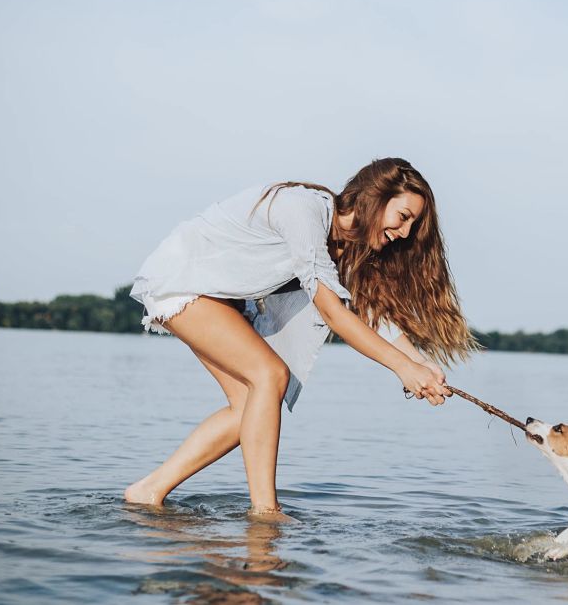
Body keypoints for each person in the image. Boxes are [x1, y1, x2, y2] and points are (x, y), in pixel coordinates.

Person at [124, 158, 477, 516]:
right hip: (184, 278)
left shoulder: (348, 247)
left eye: (412, 225)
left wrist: (420, 365)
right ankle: (265, 513)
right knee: (269, 376)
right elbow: (332, 312)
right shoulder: (304, 210)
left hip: (214, 294)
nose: (404, 232)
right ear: (375, 195)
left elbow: (370, 315)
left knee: (251, 407)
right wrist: (402, 368)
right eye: (403, 217)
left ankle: (148, 491)